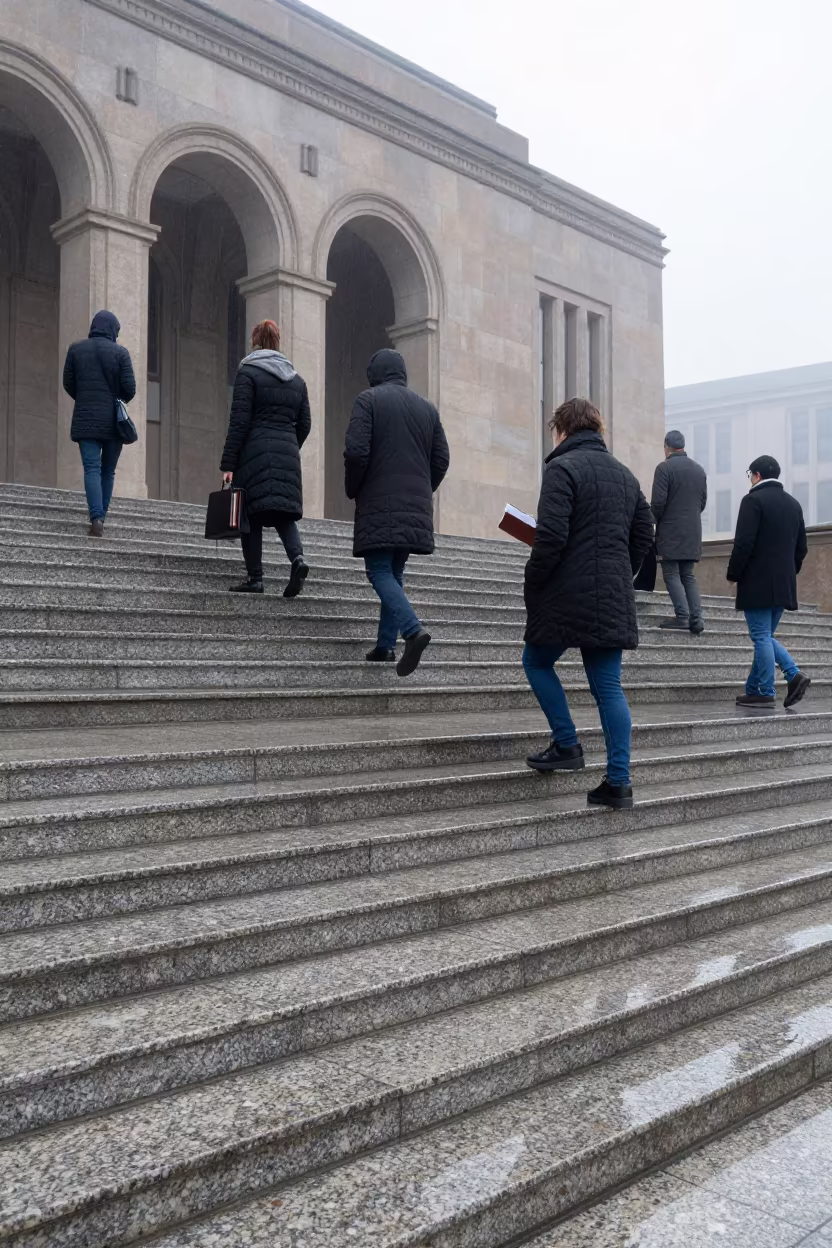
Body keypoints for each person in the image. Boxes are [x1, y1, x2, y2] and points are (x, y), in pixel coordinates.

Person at [523, 397, 654, 810]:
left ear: (562, 430)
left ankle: (566, 743)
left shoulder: (562, 468)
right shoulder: (626, 476)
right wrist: (620, 572)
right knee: (609, 688)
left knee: (536, 661)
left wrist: (535, 579)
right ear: (596, 430)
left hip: (567, 592)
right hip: (611, 593)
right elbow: (644, 535)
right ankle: (618, 782)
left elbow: (551, 537)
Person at [344, 348, 449, 678]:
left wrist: (354, 487)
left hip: (379, 499)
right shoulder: (426, 409)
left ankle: (412, 631)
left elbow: (356, 452)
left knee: (378, 570)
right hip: (413, 505)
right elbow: (441, 459)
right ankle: (385, 645)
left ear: (376, 374)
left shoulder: (369, 400)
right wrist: (420, 488)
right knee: (394, 571)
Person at [220, 319, 310, 598]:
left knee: (251, 514)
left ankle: (255, 578)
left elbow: (239, 421)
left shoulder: (248, 372)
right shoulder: (297, 380)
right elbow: (305, 423)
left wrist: (228, 464)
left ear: (255, 341)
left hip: (254, 453)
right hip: (287, 455)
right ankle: (297, 560)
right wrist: (289, 445)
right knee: (283, 513)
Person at [727, 454, 810, 709]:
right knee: (765, 636)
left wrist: (734, 573)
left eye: (750, 474)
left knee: (761, 636)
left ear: (757, 475)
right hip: (783, 583)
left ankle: (784, 678)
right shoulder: (793, 504)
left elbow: (744, 543)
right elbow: (802, 548)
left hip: (757, 581)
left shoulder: (753, 501)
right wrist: (788, 572)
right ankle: (754, 688)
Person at [62, 310, 136, 537]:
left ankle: (95, 518)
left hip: (86, 418)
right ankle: (101, 516)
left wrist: (84, 396)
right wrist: (115, 399)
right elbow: (130, 389)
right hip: (114, 422)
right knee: (108, 471)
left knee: (91, 468)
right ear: (113, 329)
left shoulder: (76, 349)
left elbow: (68, 383)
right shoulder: (121, 353)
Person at [650, 430, 708, 633]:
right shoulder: (699, 470)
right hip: (693, 532)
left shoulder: (664, 468)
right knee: (688, 575)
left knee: (671, 573)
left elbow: (658, 502)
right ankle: (697, 618)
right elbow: (702, 503)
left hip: (670, 532)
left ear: (667, 447)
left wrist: (651, 522)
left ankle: (683, 616)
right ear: (683, 446)